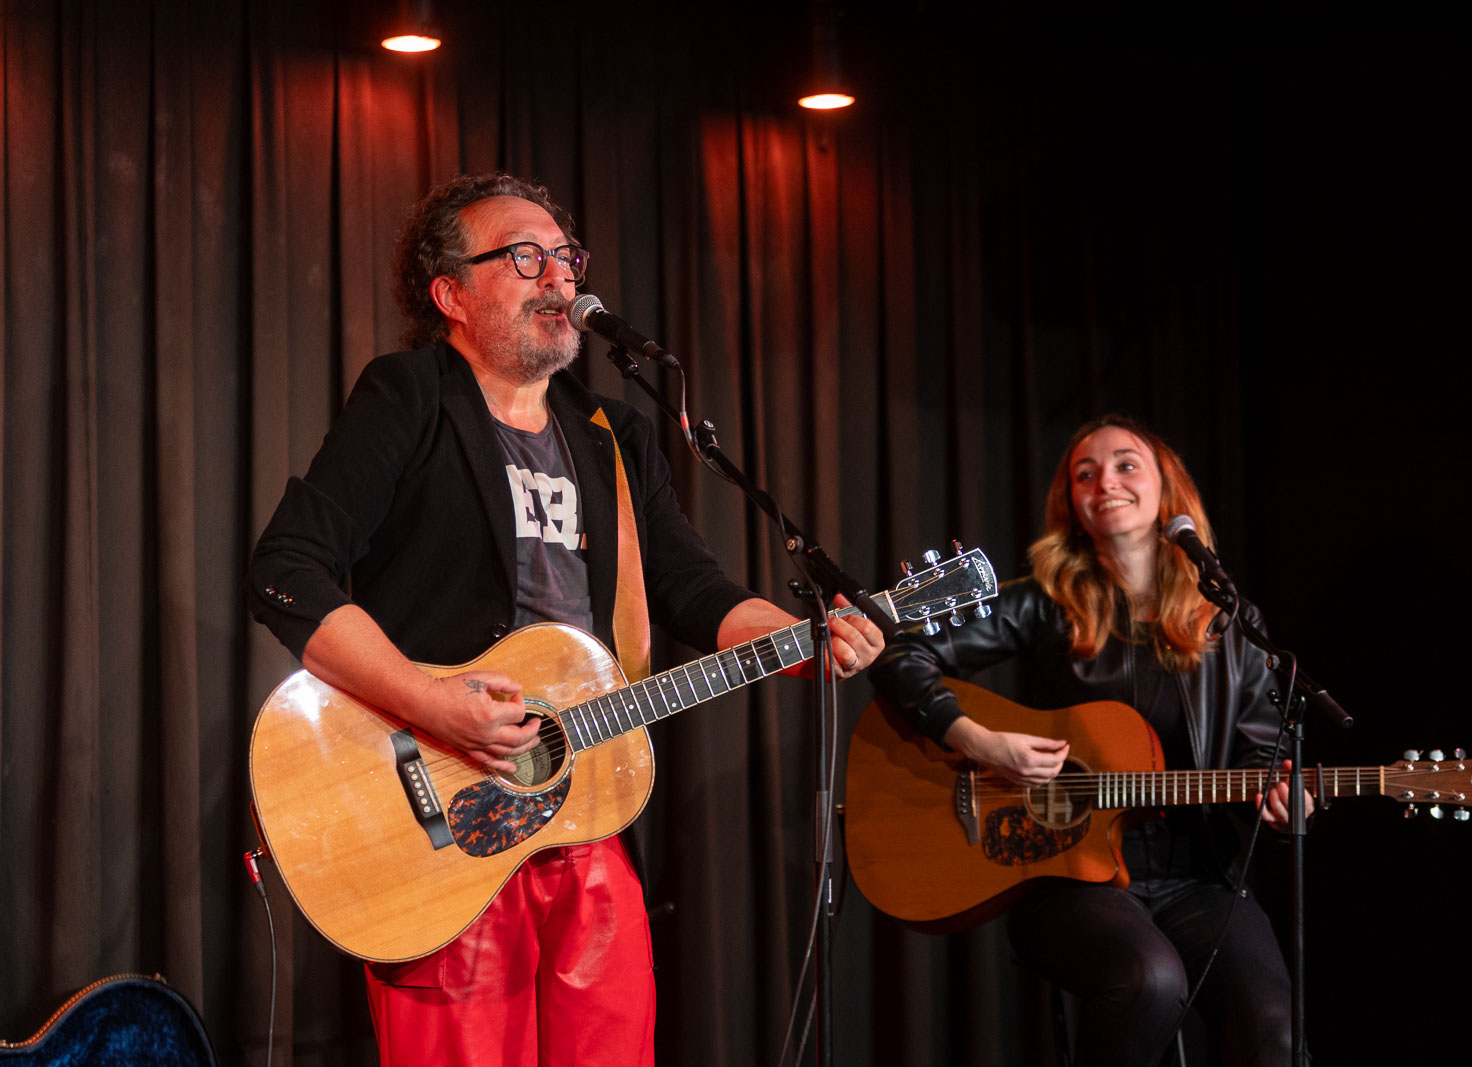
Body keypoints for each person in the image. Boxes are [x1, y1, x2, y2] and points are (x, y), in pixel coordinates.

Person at [247, 172, 882, 1067]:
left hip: (586, 818)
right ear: (450, 294)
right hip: (447, 818)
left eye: (566, 257)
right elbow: (287, 570)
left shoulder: (613, 434)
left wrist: (798, 642)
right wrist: (431, 702)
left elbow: (694, 588)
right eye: (525, 257)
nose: (558, 277)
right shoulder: (411, 396)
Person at [869, 414, 1300, 1066]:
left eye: (1127, 465)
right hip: (1065, 879)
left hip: (1197, 880)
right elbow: (898, 651)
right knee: (1149, 980)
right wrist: (977, 740)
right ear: (1071, 502)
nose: (1106, 482)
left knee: (1273, 1025)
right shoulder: (1044, 603)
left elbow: (1262, 757)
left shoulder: (1228, 622)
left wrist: (1282, 801)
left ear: (1168, 490)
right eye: (1085, 473)